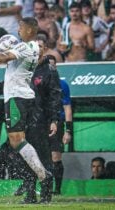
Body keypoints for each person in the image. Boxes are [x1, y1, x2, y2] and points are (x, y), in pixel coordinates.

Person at [0, 17, 54, 204]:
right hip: (23, 98)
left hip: (17, 99)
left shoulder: (26, 46)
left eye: (21, 27)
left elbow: (3, 58)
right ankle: (37, 186)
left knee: (16, 142)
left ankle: (44, 177)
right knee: (18, 147)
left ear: (30, 30)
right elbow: (9, 73)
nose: (18, 30)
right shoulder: (28, 49)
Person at [46, 55, 72, 195]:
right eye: (48, 65)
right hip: (43, 122)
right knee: (41, 156)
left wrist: (68, 130)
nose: (51, 68)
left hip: (58, 122)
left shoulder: (63, 85)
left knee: (56, 156)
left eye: (53, 65)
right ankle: (44, 187)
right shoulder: (40, 83)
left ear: (56, 66)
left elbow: (67, 108)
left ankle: (57, 189)